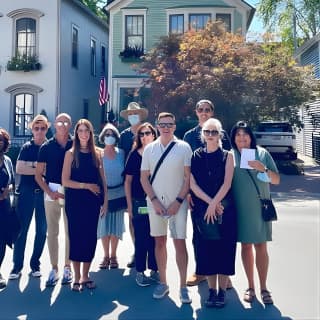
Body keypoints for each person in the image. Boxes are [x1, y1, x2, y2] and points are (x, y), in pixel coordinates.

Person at [140, 112, 193, 304]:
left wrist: (178, 201)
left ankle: (183, 286)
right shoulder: (149, 149)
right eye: (162, 124)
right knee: (159, 242)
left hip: (177, 203)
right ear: (157, 126)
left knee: (180, 242)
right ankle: (163, 282)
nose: (166, 127)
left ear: (175, 126)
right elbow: (144, 177)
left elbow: (188, 178)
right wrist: (153, 200)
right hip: (155, 203)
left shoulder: (184, 147)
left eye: (169, 124)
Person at [183, 99, 232, 287]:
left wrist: (219, 199)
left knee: (223, 235)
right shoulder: (189, 135)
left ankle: (223, 274)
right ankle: (201, 271)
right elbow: (185, 167)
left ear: (212, 112)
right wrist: (188, 191)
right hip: (198, 195)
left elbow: (229, 162)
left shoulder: (223, 134)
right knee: (200, 235)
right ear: (196, 112)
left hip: (222, 196)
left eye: (207, 109)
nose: (204, 112)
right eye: (200, 109)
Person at [230, 120, 280, 305]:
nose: (242, 137)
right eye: (238, 134)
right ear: (233, 138)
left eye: (245, 134)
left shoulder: (262, 153)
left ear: (251, 136)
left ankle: (264, 287)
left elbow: (276, 180)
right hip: (241, 209)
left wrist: (263, 168)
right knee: (245, 246)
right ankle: (250, 286)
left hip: (260, 208)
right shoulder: (230, 156)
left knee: (261, 246)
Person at [190, 118, 237, 308]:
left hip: (224, 209)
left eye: (214, 132)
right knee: (206, 250)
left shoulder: (228, 156)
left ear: (220, 134)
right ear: (203, 134)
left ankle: (222, 291)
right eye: (207, 132)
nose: (210, 135)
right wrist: (210, 203)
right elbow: (192, 183)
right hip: (203, 209)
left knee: (225, 249)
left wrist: (215, 203)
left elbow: (227, 183)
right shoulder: (195, 155)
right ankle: (211, 291)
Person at [62, 119, 108, 291]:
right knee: (76, 237)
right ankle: (75, 276)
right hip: (74, 202)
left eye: (86, 130)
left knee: (89, 238)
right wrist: (86, 186)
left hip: (92, 202)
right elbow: (65, 180)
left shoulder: (98, 153)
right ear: (76, 133)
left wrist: (105, 201)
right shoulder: (70, 153)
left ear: (90, 133)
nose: (84, 134)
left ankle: (85, 276)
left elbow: (103, 179)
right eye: (80, 130)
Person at [9, 115, 49, 280]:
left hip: (44, 194)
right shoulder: (26, 147)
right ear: (32, 129)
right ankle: (17, 267)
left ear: (47, 129)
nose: (39, 131)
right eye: (36, 128)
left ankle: (35, 265)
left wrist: (30, 166)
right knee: (21, 231)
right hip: (25, 193)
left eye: (43, 128)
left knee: (41, 231)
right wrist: (40, 168)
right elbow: (19, 168)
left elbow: (51, 170)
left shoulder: (49, 147)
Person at [35, 113, 73, 287]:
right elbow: (38, 175)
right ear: (54, 125)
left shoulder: (76, 144)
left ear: (70, 125)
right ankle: (54, 268)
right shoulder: (46, 146)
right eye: (59, 122)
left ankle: (67, 267)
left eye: (66, 122)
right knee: (52, 232)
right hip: (52, 191)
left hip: (71, 192)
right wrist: (49, 192)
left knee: (70, 232)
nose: (63, 125)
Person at [124, 122, 159, 287]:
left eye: (148, 133)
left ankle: (154, 269)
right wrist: (129, 204)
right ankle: (140, 271)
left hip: (158, 202)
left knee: (155, 237)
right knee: (141, 237)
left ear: (153, 134)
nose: (145, 136)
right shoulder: (134, 155)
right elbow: (128, 181)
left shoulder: (159, 153)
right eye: (142, 134)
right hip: (139, 202)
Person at [119, 101, 149, 268]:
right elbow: (119, 157)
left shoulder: (148, 132)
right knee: (133, 219)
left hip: (149, 183)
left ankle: (148, 252)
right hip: (130, 182)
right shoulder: (123, 136)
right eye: (130, 114)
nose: (132, 116)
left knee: (148, 219)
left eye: (135, 114)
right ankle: (137, 250)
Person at [97, 123, 126, 270]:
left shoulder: (121, 153)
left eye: (112, 134)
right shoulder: (98, 154)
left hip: (119, 194)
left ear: (116, 137)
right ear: (103, 137)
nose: (110, 137)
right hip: (103, 195)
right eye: (107, 134)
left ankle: (114, 256)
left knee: (116, 226)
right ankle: (105, 256)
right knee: (104, 226)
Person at [0, 128, 15, 289]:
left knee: (2, 240)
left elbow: (12, 182)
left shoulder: (7, 161)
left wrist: (7, 190)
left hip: (4, 206)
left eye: (1, 140)